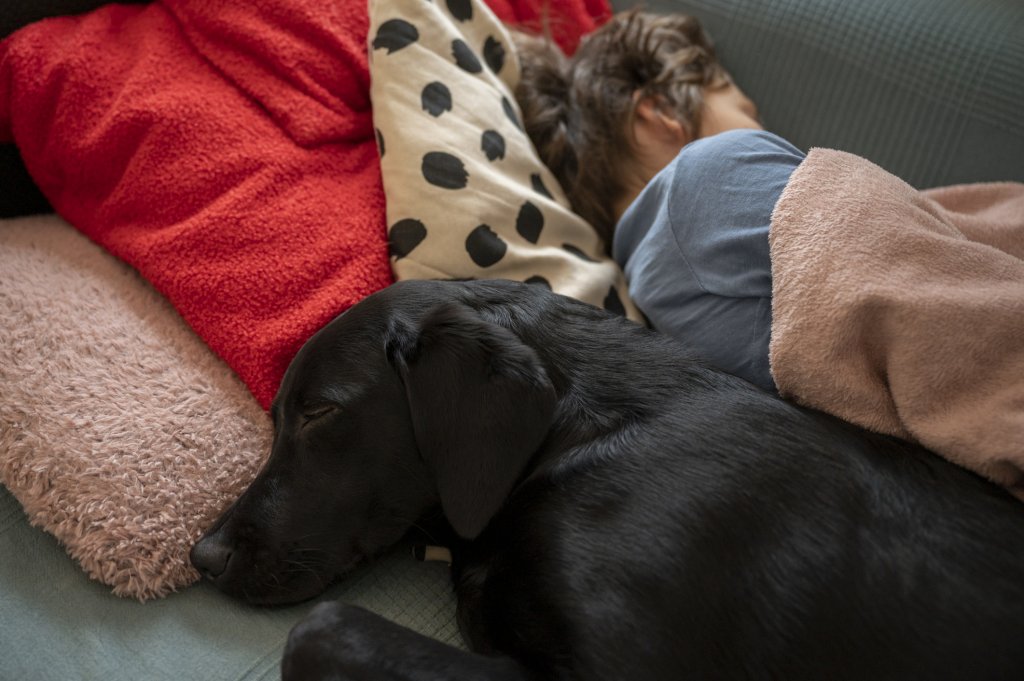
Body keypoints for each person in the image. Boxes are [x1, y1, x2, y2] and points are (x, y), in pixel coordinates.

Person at [513, 10, 805, 392]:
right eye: (748, 114)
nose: (765, 135)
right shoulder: (710, 173)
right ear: (660, 112)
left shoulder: (647, 290)